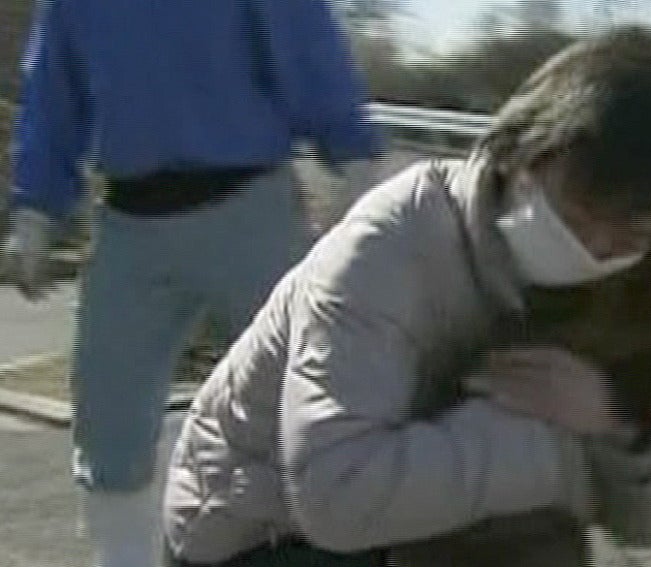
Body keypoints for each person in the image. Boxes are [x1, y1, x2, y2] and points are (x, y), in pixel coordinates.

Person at [162, 25, 651, 567]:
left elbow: (649, 519)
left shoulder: (642, 276)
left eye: (635, 232)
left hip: (424, 509)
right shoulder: (389, 243)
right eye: (586, 211)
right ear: (525, 151)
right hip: (256, 528)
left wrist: (608, 423)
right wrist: (563, 445)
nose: (602, 249)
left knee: (536, 541)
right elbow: (335, 498)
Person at [2, 0, 383, 565]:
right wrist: (35, 211)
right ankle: (124, 557)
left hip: (251, 209)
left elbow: (305, 42)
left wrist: (350, 156)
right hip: (131, 222)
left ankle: (335, 550)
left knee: (305, 400)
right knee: (107, 417)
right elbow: (53, 100)